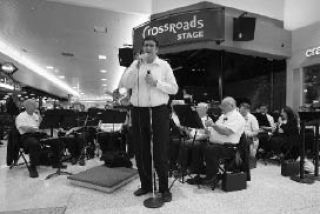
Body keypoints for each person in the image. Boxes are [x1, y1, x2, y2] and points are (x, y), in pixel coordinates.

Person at [118, 36, 178, 202]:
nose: (147, 48)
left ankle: (164, 188)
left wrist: (156, 83)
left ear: (157, 49)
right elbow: (126, 84)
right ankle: (145, 185)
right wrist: (135, 66)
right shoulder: (136, 64)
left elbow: (174, 88)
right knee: (141, 150)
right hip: (138, 111)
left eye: (151, 45)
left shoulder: (164, 65)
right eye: (145, 45)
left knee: (159, 151)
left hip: (158, 111)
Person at [202, 97, 246, 184]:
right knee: (199, 145)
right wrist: (208, 129)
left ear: (232, 106)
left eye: (223, 105)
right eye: (221, 105)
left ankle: (212, 176)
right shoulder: (223, 116)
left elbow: (227, 132)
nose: (221, 107)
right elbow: (215, 129)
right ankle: (201, 171)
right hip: (217, 144)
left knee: (211, 149)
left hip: (229, 147)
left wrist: (213, 125)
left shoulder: (238, 117)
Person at [15, 99, 62, 178]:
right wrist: (35, 129)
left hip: (37, 134)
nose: (35, 107)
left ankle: (56, 162)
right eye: (33, 105)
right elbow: (24, 128)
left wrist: (39, 115)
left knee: (56, 141)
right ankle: (33, 166)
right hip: (26, 136)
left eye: (35, 105)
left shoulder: (35, 115)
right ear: (27, 106)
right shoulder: (21, 116)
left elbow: (42, 126)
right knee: (34, 144)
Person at [239, 101, 259, 167]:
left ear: (248, 110)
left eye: (244, 110)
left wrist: (248, 134)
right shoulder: (237, 116)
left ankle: (245, 162)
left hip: (248, 137)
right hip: (236, 136)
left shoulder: (252, 118)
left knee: (245, 142)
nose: (241, 112)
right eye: (240, 110)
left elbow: (256, 131)